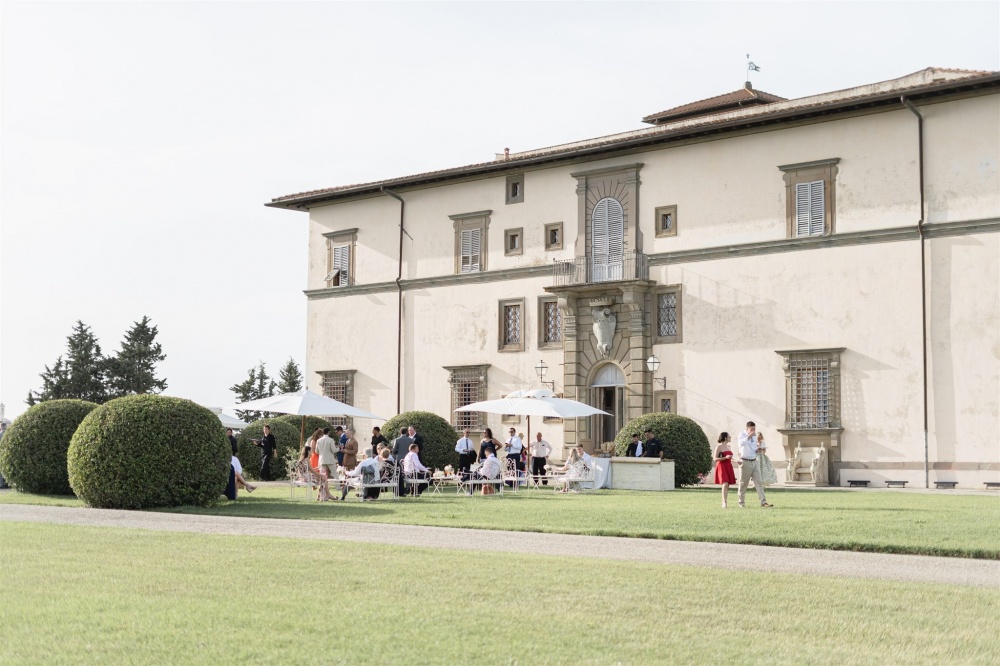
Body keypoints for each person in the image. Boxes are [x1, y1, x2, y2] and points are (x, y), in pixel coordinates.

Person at [737, 421, 773, 508]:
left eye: (754, 429)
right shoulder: (742, 435)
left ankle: (763, 502)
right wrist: (749, 436)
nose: (753, 431)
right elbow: (741, 444)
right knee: (743, 483)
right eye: (751, 429)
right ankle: (741, 502)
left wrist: (758, 450)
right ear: (747, 429)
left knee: (759, 482)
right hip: (745, 461)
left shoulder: (754, 437)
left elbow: (753, 448)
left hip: (754, 461)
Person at [714, 432, 737, 508]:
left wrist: (737, 461)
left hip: (728, 466)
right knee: (725, 483)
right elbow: (715, 459)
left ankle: (725, 500)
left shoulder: (729, 446)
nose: (730, 437)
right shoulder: (719, 447)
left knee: (727, 485)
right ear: (725, 438)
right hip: (721, 466)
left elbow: (730, 458)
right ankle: (724, 502)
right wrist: (725, 458)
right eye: (729, 436)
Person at [392, 427, 413, 496]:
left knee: (400, 474)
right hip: (408, 458)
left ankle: (400, 488)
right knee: (408, 472)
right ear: (406, 432)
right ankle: (408, 487)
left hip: (399, 459)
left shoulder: (397, 440)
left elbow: (394, 450)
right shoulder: (410, 440)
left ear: (400, 432)